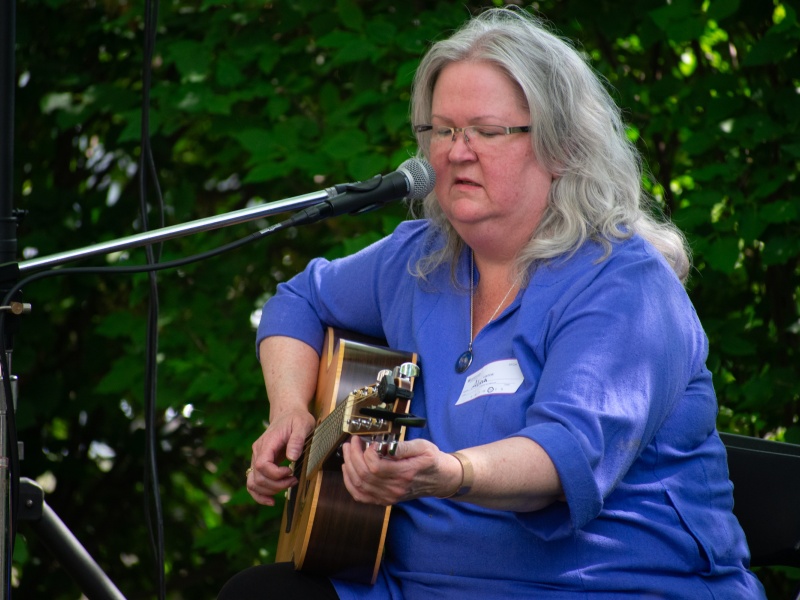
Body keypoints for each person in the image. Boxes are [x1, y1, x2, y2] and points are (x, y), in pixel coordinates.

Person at [219, 7, 766, 599]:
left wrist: (450, 475)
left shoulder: (623, 286)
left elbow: (559, 463)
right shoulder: (418, 258)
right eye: (442, 130)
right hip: (412, 587)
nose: (456, 152)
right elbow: (296, 302)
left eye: (485, 130)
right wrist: (290, 411)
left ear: (559, 146)